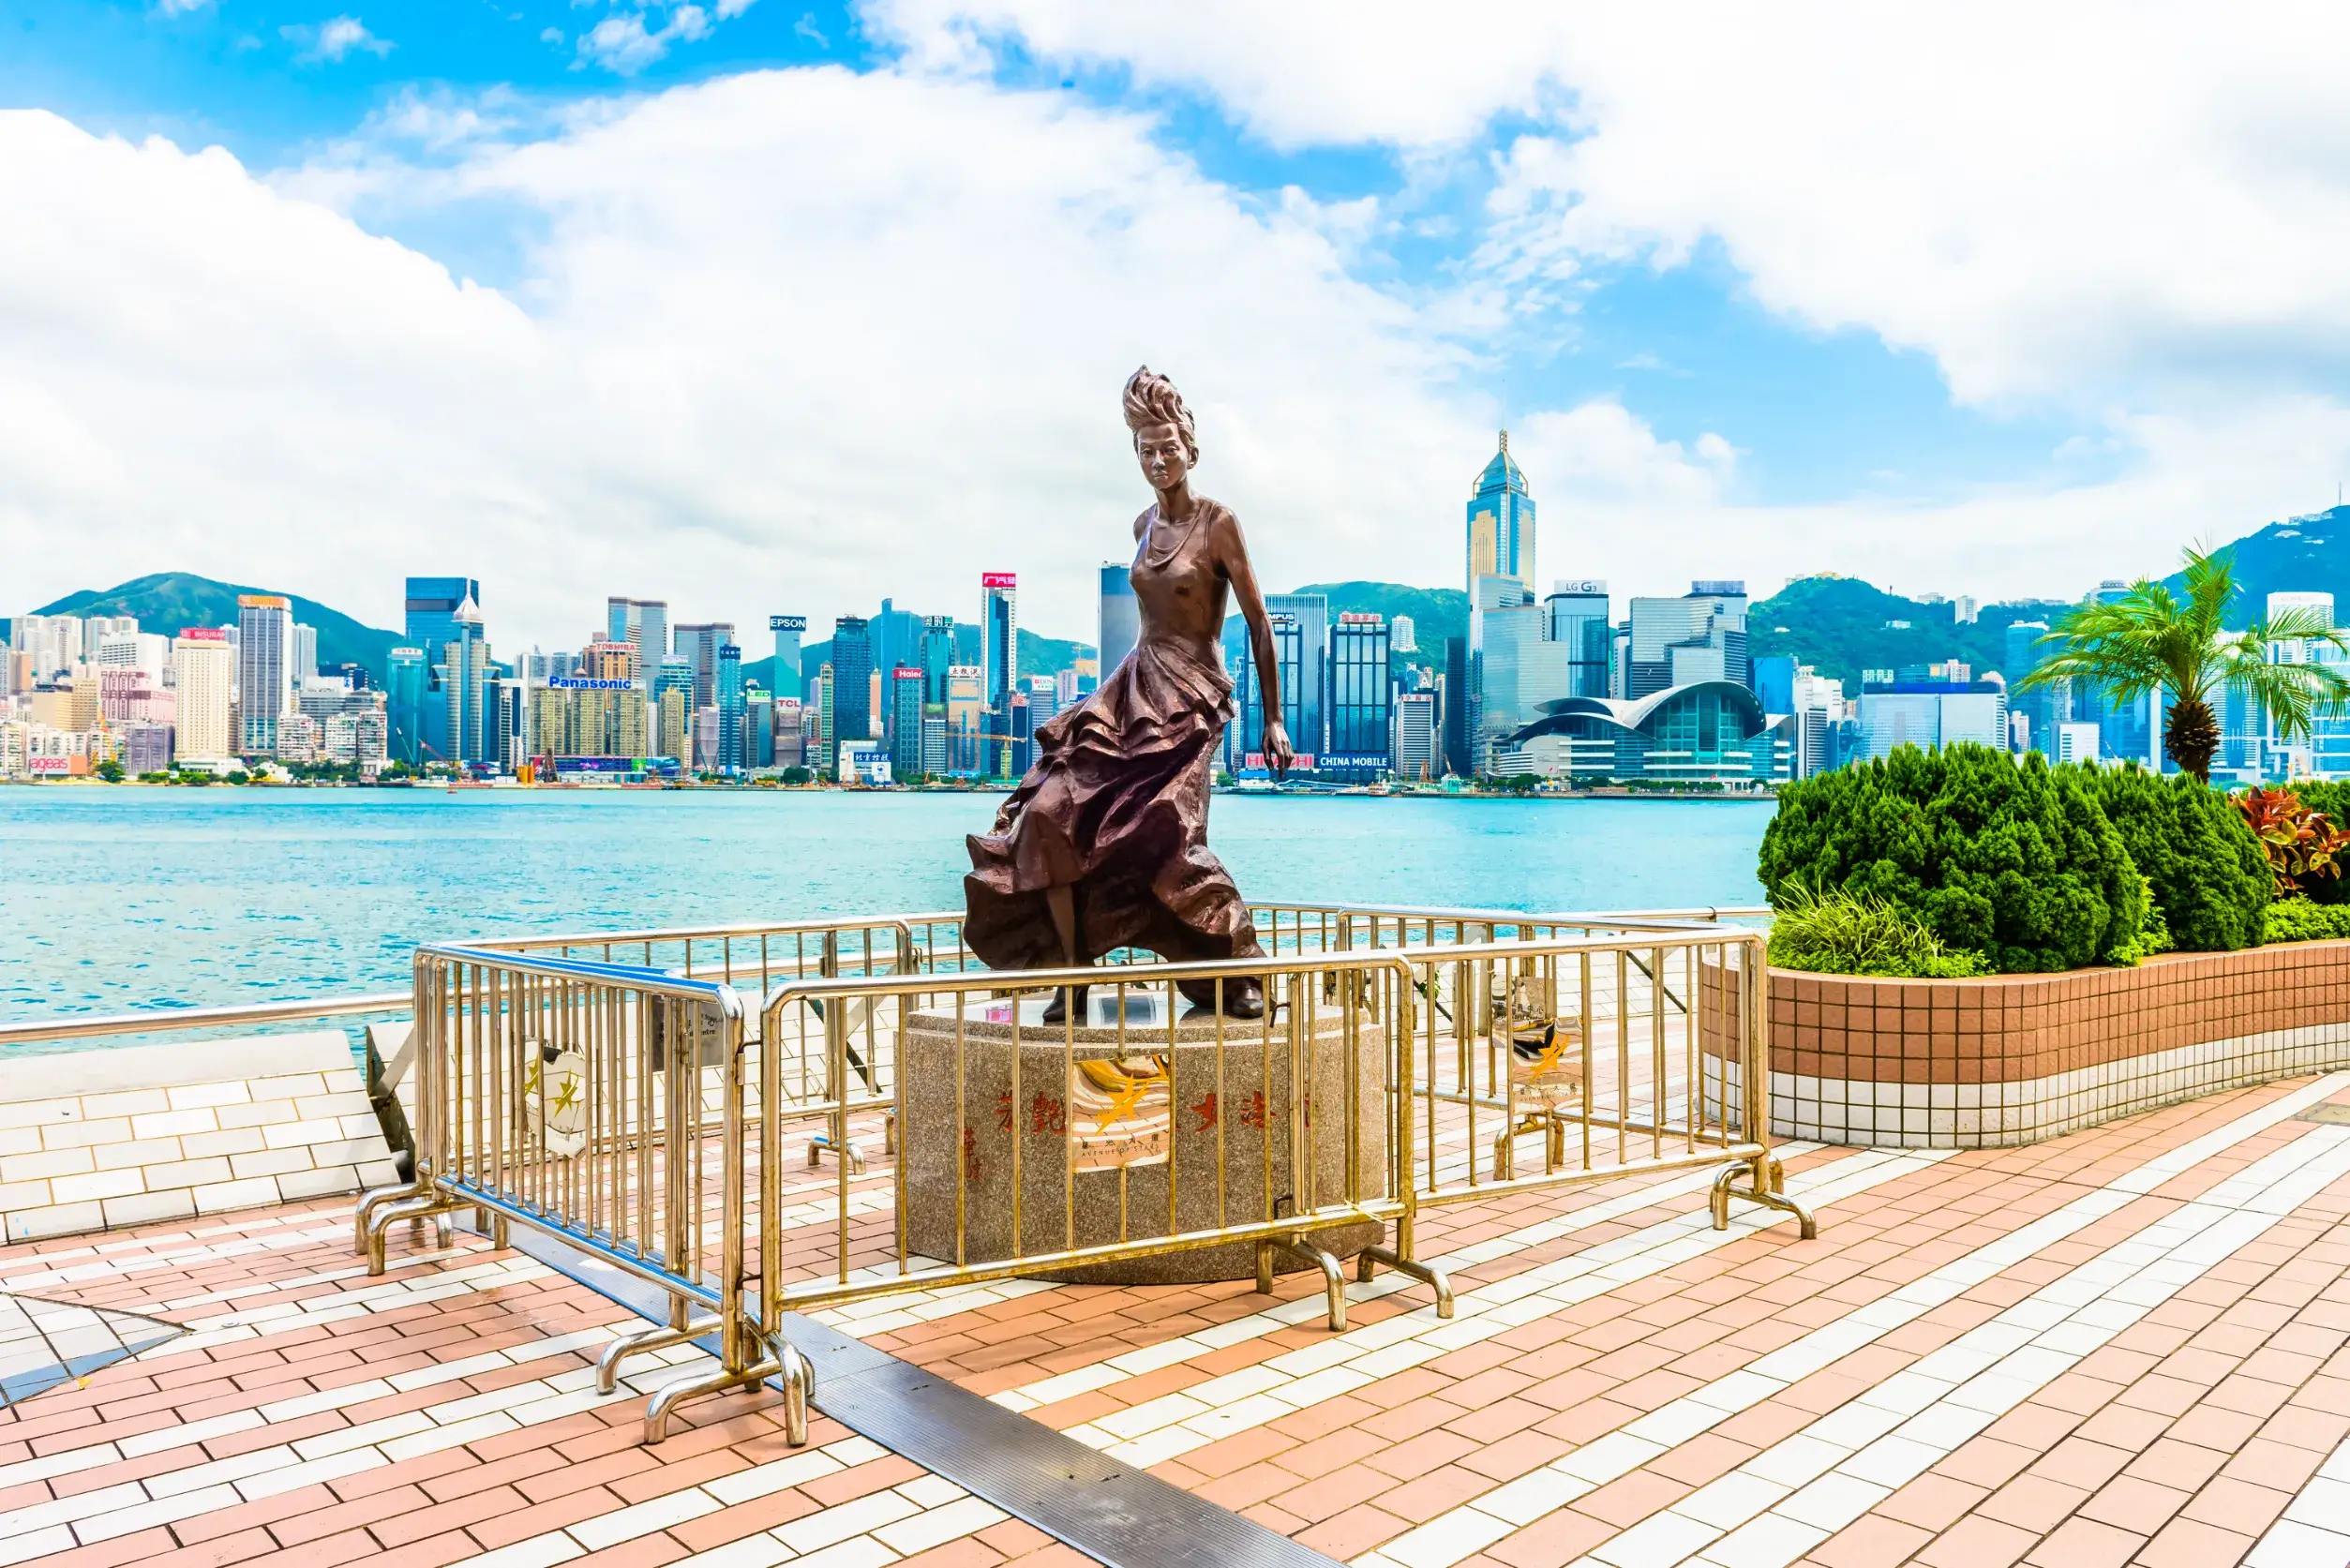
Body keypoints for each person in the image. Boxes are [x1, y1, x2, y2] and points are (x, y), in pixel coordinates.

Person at [964, 366, 1293, 1021]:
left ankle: (1234, 966)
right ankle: (1074, 975)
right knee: (1051, 817)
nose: (1158, 459)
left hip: (1192, 695)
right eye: (1146, 449)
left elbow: (1258, 622)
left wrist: (1274, 719)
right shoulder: (1141, 523)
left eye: (1168, 446)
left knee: (1170, 838)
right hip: (1133, 688)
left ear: (1190, 449)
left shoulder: (1217, 521)